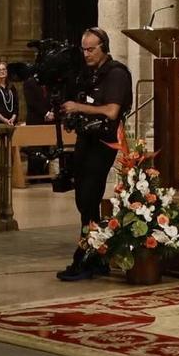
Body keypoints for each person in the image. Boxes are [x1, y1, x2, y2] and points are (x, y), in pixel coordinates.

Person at [54, 28, 133, 282]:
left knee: (89, 197)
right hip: (85, 139)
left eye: (91, 49)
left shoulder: (117, 73)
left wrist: (79, 106)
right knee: (82, 200)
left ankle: (86, 255)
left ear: (104, 47)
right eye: (83, 49)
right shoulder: (89, 74)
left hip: (103, 143)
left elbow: (111, 111)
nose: (86, 54)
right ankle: (97, 255)